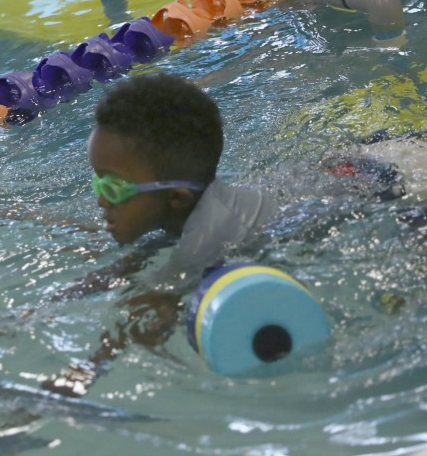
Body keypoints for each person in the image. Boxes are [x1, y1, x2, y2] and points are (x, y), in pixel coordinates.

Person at [43, 72, 279, 396]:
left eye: (112, 187)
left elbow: (144, 310)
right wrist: (36, 312)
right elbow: (121, 269)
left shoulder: (202, 243)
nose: (99, 199)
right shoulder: (182, 211)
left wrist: (81, 376)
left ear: (176, 197)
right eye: (97, 183)